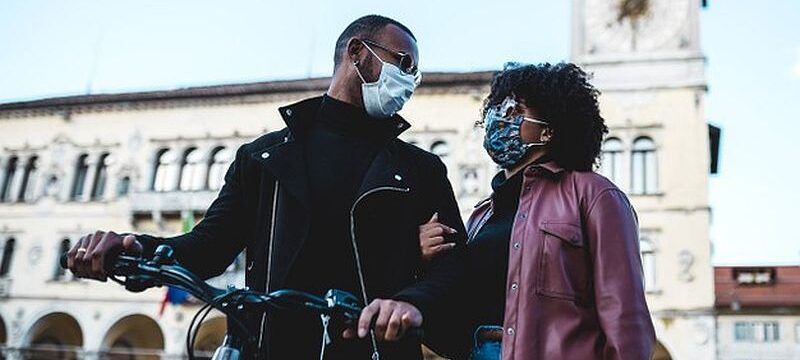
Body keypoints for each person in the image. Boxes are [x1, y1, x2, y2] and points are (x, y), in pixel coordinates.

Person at [66, 15, 467, 360]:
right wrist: (134, 248)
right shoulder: (262, 158)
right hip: (270, 345)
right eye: (403, 63)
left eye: (415, 73)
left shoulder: (420, 169)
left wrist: (411, 303)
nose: (410, 81)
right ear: (358, 53)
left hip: (375, 349)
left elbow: (454, 266)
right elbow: (208, 247)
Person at [422, 62, 655, 360]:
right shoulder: (482, 215)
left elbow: (625, 314)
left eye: (514, 111)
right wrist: (421, 257)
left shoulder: (594, 195)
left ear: (548, 131)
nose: (499, 118)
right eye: (496, 109)